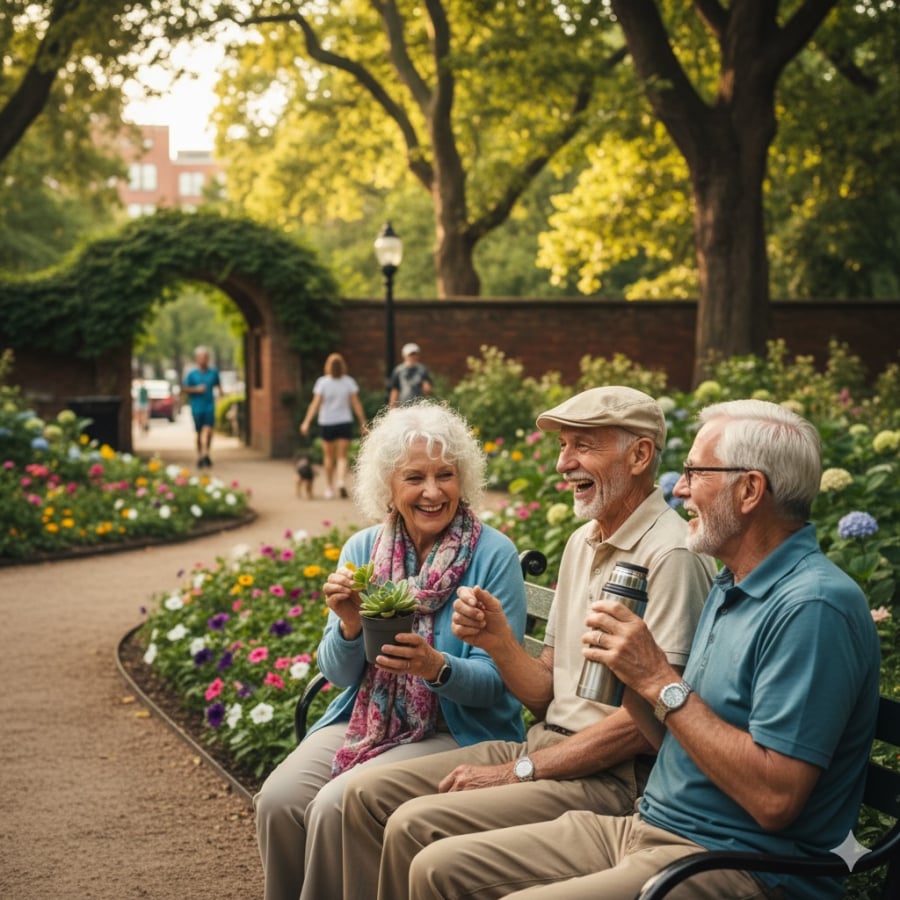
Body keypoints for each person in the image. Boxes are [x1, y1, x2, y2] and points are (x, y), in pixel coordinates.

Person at [405, 398, 882, 900]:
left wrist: (658, 679)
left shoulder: (813, 607)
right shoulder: (732, 583)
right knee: (438, 868)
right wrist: (629, 674)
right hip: (649, 826)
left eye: (696, 472)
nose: (679, 487)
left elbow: (774, 800)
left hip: (737, 862)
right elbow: (665, 731)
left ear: (749, 490)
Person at [341, 386, 718, 900]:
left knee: (413, 826)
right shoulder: (582, 542)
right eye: (563, 447)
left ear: (639, 455)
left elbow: (642, 724)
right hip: (547, 743)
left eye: (582, 445)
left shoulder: (671, 554)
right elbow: (546, 694)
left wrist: (519, 771)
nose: (564, 464)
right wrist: (497, 642)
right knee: (362, 795)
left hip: (609, 777)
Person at [254, 401, 529, 900]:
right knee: (278, 800)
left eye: (446, 475)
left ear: (462, 479)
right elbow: (337, 675)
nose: (432, 491)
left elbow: (498, 685)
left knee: (336, 804)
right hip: (369, 717)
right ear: (388, 486)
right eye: (414, 478)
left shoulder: (493, 555)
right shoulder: (363, 551)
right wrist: (350, 624)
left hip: (458, 729)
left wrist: (436, 667)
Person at [300, 353, 368, 498]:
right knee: (342, 456)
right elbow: (356, 403)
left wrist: (306, 422)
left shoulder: (322, 383)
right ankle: (341, 482)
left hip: (327, 422)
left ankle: (330, 488)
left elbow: (315, 404)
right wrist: (362, 421)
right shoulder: (349, 382)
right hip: (344, 422)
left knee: (328, 457)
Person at [182, 346, 222, 468]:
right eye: (200, 358)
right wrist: (196, 389)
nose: (203, 360)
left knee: (209, 430)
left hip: (209, 406)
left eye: (205, 357)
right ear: (197, 359)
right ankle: (200, 456)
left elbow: (218, 385)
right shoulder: (192, 374)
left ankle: (207, 453)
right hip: (197, 407)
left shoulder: (213, 373)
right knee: (199, 432)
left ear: (208, 359)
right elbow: (184, 388)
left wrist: (221, 395)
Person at [388, 342, 433, 408]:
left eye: (415, 355)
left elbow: (429, 390)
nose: (413, 357)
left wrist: (427, 389)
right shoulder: (398, 370)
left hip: (419, 407)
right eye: (410, 355)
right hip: (403, 407)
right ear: (404, 355)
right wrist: (392, 407)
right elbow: (395, 390)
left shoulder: (422, 370)